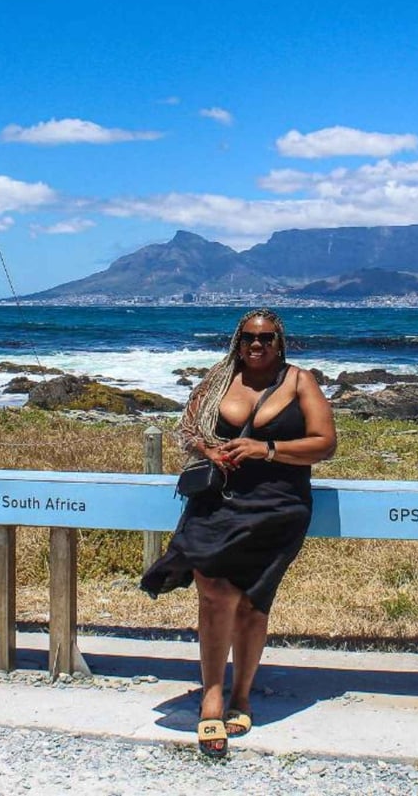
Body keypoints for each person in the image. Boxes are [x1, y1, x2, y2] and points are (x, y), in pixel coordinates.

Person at [140, 308, 337, 758]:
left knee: (251, 602)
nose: (257, 344)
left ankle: (242, 695)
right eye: (249, 336)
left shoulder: (299, 381)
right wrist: (209, 448)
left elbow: (324, 443)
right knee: (213, 593)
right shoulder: (218, 379)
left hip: (277, 507)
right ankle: (212, 695)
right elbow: (189, 430)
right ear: (237, 340)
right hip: (217, 503)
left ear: (279, 342)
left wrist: (264, 448)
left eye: (266, 338)